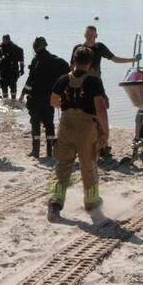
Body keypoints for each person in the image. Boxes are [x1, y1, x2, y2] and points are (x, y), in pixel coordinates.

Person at [46, 46, 109, 222]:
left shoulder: (63, 79)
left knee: (62, 166)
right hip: (86, 128)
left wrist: (66, 107)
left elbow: (53, 101)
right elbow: (101, 108)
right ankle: (91, 202)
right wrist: (105, 132)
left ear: (73, 60)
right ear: (90, 63)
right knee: (88, 166)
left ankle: (55, 204)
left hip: (65, 126)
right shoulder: (93, 81)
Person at [71, 25, 138, 158]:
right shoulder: (78, 48)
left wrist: (133, 60)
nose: (89, 36)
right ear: (84, 35)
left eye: (92, 34)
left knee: (101, 112)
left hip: (96, 83)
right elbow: (72, 67)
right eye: (87, 34)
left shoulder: (99, 47)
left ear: (96, 35)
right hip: (81, 85)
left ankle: (103, 146)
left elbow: (114, 59)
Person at [19, 37, 69, 158]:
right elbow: (67, 73)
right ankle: (49, 152)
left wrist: (23, 93)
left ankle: (35, 151)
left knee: (35, 123)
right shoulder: (56, 60)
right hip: (50, 98)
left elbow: (30, 80)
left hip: (35, 98)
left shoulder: (36, 60)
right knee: (49, 124)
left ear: (36, 47)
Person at [0, 34, 25, 100]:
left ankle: (13, 100)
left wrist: (22, 69)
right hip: (3, 72)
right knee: (4, 88)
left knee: (13, 88)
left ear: (9, 40)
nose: (3, 41)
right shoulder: (0, 48)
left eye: (5, 40)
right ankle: (5, 100)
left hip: (13, 72)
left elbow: (21, 59)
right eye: (3, 40)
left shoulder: (16, 49)